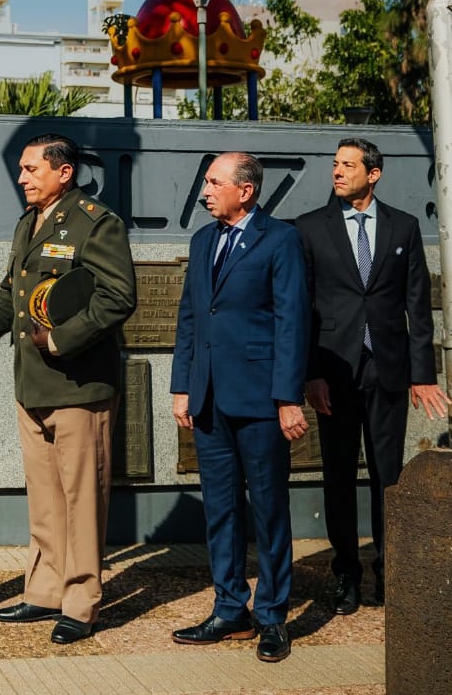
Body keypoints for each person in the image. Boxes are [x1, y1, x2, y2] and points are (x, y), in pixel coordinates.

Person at [0, 134, 136, 644]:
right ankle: (46, 590)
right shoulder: (28, 223)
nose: (22, 178)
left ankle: (81, 602)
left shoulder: (98, 223)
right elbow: (11, 294)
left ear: (64, 172)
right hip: (32, 385)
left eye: (32, 169)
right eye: (22, 170)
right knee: (46, 499)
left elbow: (118, 298)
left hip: (79, 386)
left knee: (82, 500)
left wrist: (58, 339)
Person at [294, 137, 447, 614]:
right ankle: (347, 574)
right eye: (335, 164)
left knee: (388, 475)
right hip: (333, 372)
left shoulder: (404, 226)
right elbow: (302, 309)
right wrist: (311, 374)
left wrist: (422, 374)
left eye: (348, 164)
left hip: (388, 371)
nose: (337, 171)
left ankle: (389, 570)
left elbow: (418, 306)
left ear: (373, 174)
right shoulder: (309, 228)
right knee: (338, 475)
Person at [170, 151, 309, 665]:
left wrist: (288, 398)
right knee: (221, 510)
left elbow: (293, 321)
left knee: (268, 510)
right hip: (209, 398)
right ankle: (230, 609)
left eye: (214, 182)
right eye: (206, 182)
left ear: (245, 191)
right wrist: (182, 385)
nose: (205, 191)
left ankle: (271, 616)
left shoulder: (281, 239)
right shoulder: (203, 240)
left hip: (260, 400)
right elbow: (191, 317)